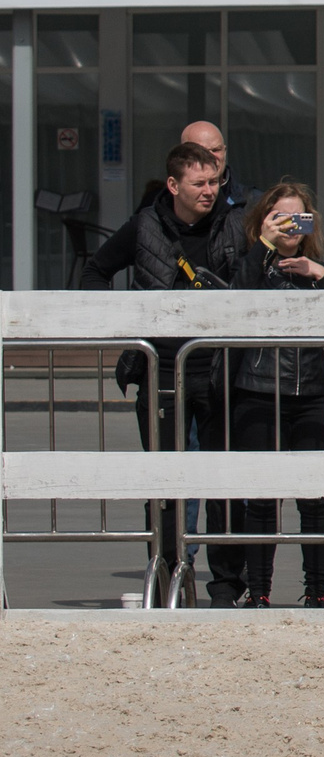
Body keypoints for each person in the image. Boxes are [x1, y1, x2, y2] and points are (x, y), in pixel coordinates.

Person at [81, 140, 250, 603]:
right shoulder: (144, 226)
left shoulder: (236, 225)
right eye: (199, 183)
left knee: (223, 484)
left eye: (215, 181)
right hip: (161, 373)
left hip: (220, 371)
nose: (209, 191)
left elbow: (258, 276)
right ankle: (170, 574)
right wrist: (125, 323)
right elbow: (95, 270)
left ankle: (226, 586)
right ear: (174, 185)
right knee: (165, 484)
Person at [229, 181, 324, 609]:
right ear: (263, 221)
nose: (289, 227)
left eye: (299, 218)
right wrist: (265, 247)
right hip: (259, 391)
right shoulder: (253, 264)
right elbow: (234, 300)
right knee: (261, 498)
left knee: (315, 500)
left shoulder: (320, 272)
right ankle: (258, 590)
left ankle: (316, 592)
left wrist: (322, 274)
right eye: (280, 217)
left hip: (314, 393)